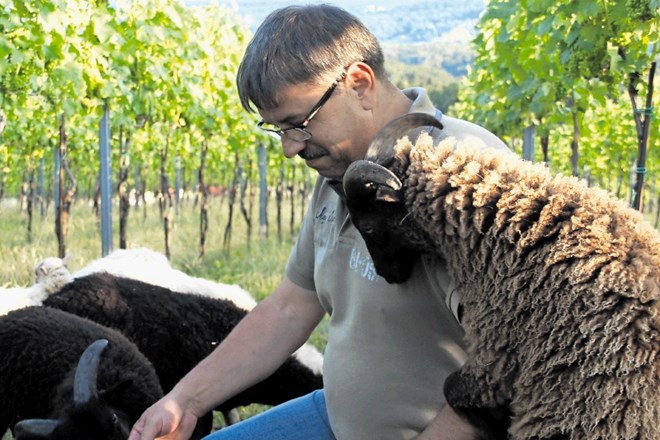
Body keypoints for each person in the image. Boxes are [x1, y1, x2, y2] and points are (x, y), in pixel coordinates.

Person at [128, 4, 509, 440]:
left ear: (359, 84)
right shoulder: (340, 170)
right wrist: (184, 401)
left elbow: (507, 370)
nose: (291, 148)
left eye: (298, 125)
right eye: (278, 131)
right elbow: (291, 305)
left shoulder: (467, 176)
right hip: (334, 418)